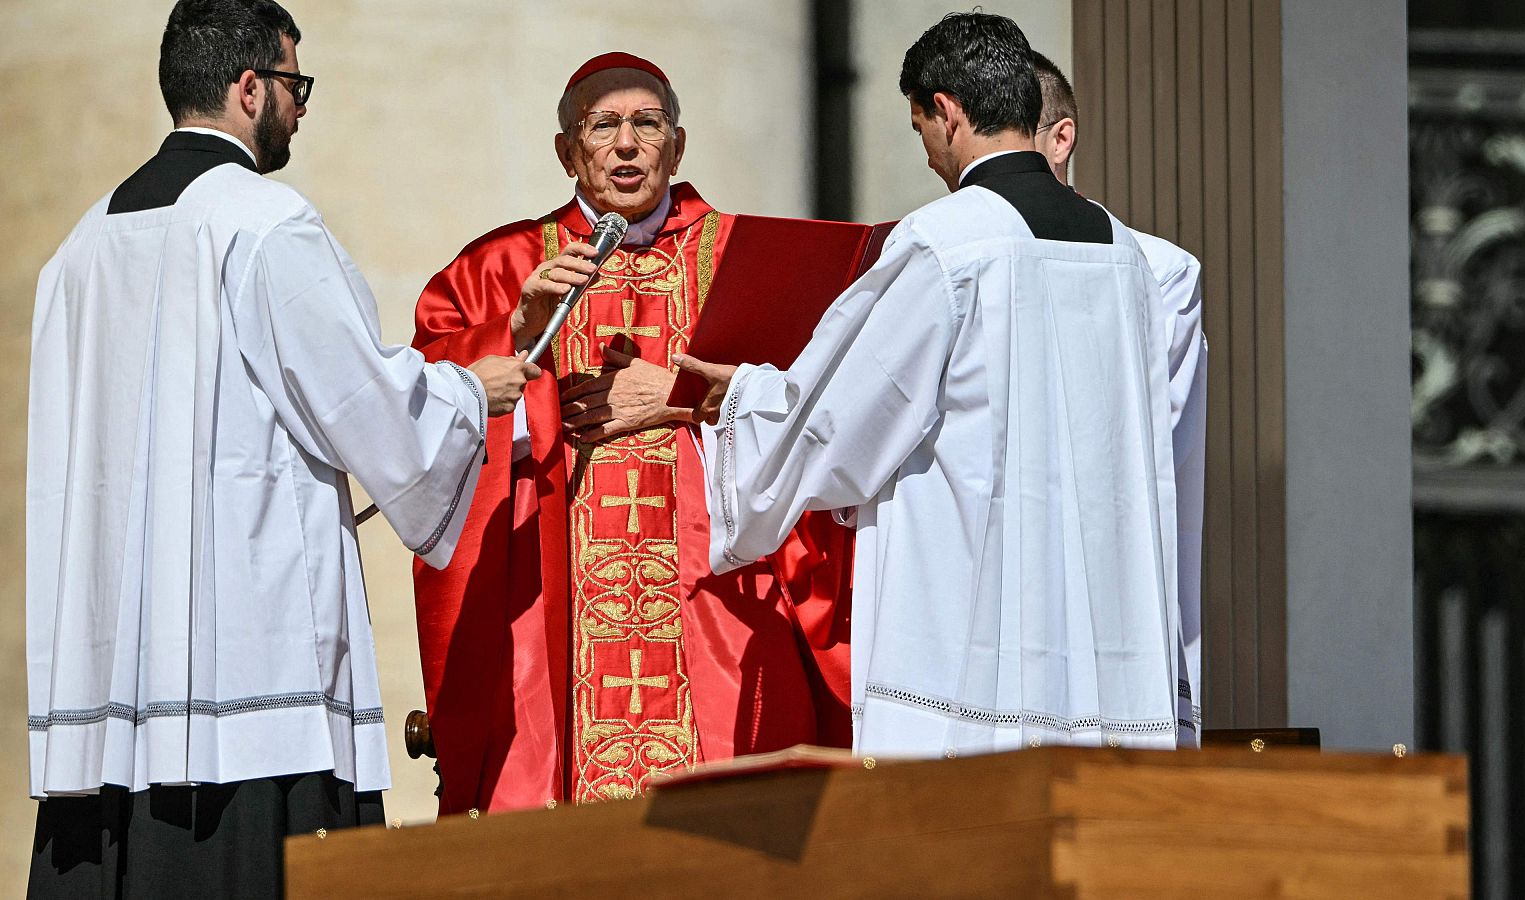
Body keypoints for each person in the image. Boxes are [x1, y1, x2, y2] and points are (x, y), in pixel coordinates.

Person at [25, 1, 536, 895]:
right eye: (296, 86)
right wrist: (473, 390)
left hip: (110, 684)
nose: (302, 109)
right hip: (250, 685)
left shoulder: (79, 246)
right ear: (249, 87)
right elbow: (365, 403)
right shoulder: (265, 223)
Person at [676, 12, 1184, 758]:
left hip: (970, 644)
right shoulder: (1126, 254)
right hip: (1103, 641)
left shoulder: (947, 241)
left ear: (946, 113)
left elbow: (842, 421)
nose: (926, 158)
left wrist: (746, 400)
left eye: (919, 129)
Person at [412, 52, 851, 811]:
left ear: (676, 147)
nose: (626, 144)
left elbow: (828, 409)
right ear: (567, 151)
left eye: (646, 124)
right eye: (603, 125)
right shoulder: (500, 267)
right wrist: (515, 339)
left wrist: (682, 400)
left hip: (716, 605)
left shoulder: (751, 259)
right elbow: (419, 409)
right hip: (553, 603)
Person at [1033, 50, 1206, 745]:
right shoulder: (940, 254)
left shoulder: (1156, 272)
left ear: (1060, 138)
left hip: (1111, 595)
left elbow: (1148, 444)